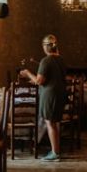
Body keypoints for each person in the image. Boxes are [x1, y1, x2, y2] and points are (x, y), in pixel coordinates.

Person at [20, 34, 67, 162]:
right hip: (60, 93)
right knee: (54, 122)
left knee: (50, 123)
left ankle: (55, 153)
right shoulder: (61, 59)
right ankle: (56, 150)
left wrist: (28, 73)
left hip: (50, 95)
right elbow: (53, 77)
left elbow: (39, 81)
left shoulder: (46, 61)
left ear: (46, 47)